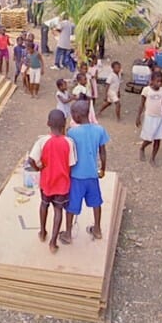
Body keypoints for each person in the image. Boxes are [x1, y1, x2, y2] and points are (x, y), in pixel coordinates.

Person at [27, 110, 77, 253]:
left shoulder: (42, 141)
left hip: (46, 182)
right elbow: (71, 164)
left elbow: (31, 159)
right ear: (64, 124)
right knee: (58, 210)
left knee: (44, 204)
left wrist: (37, 168)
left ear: (48, 123)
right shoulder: (69, 142)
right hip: (62, 183)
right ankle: (53, 242)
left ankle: (42, 232)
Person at [59, 101, 108, 244]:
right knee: (96, 202)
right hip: (92, 174)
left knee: (72, 206)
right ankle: (97, 229)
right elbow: (103, 152)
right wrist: (102, 168)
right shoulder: (99, 130)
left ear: (78, 116)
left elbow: (67, 152)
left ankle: (68, 233)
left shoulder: (72, 132)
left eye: (73, 113)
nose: (71, 116)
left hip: (76, 176)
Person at [135, 70, 162, 165]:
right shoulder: (146, 90)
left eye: (161, 81)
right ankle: (142, 148)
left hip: (159, 118)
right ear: (152, 81)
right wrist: (138, 117)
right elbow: (141, 104)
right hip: (150, 117)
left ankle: (153, 158)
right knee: (149, 138)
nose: (159, 83)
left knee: (158, 139)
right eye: (157, 81)